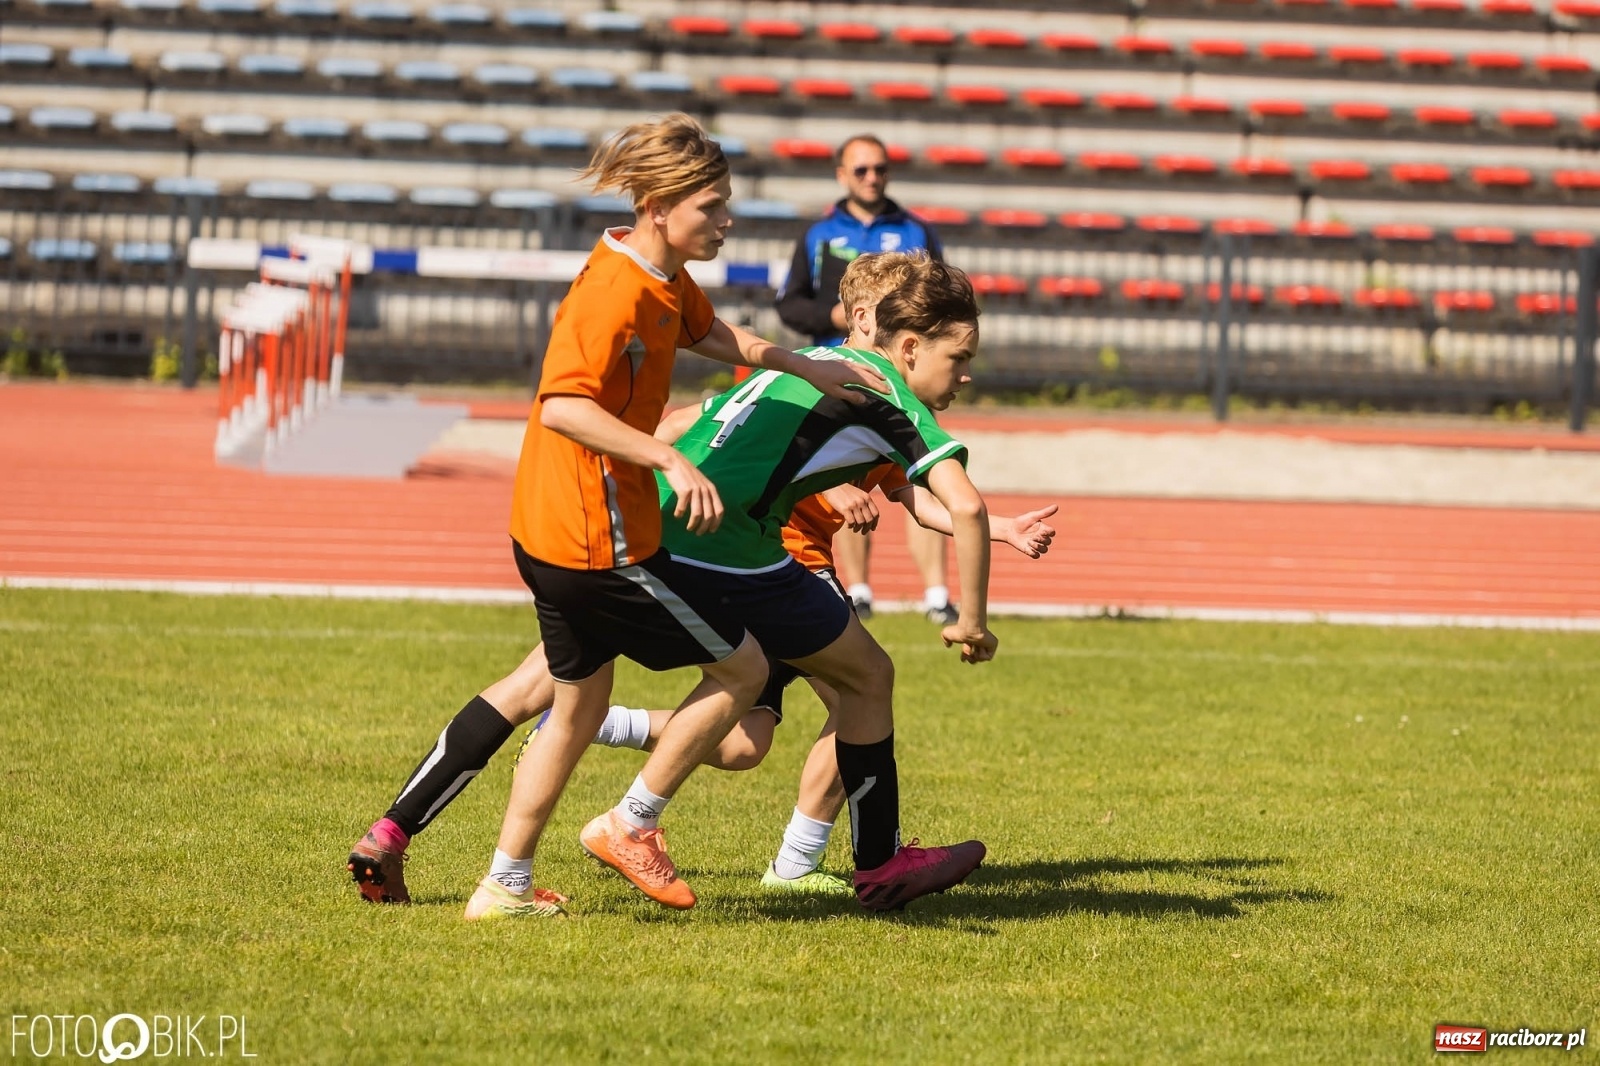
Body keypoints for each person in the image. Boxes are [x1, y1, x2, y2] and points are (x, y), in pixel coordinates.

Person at [344, 112, 885, 917]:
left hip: (558, 530)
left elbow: (717, 333)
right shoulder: (613, 291)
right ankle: (630, 825)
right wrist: (667, 455)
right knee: (739, 672)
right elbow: (562, 406)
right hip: (597, 541)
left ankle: (495, 880)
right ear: (660, 207)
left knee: (570, 704)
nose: (727, 220)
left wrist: (801, 364)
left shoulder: (662, 280)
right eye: (713, 206)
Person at [537, 252, 1059, 895]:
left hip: (711, 531)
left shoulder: (819, 361)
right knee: (826, 683)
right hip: (719, 539)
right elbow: (967, 505)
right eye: (960, 359)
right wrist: (973, 624)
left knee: (823, 697)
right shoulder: (886, 394)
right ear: (913, 346)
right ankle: (642, 823)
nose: (967, 377)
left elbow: (711, 424)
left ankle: (863, 861)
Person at [775, 133, 957, 625]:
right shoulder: (818, 234)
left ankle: (937, 593)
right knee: (848, 483)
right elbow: (788, 302)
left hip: (899, 379)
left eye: (880, 169)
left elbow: (942, 302)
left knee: (920, 477)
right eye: (861, 170)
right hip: (832, 380)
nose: (872, 178)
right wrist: (837, 319)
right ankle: (855, 588)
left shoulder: (916, 231)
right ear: (841, 175)